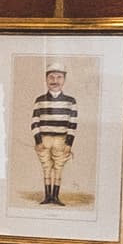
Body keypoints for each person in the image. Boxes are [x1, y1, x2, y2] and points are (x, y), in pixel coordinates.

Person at [31, 63, 80, 204]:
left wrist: (69, 144)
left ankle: (55, 196)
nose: (55, 80)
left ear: (64, 79)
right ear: (46, 79)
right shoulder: (40, 101)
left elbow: (72, 124)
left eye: (59, 77)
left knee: (58, 167)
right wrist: (38, 141)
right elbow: (35, 122)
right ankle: (48, 196)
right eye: (51, 77)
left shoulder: (71, 101)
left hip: (61, 140)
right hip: (44, 140)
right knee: (46, 167)